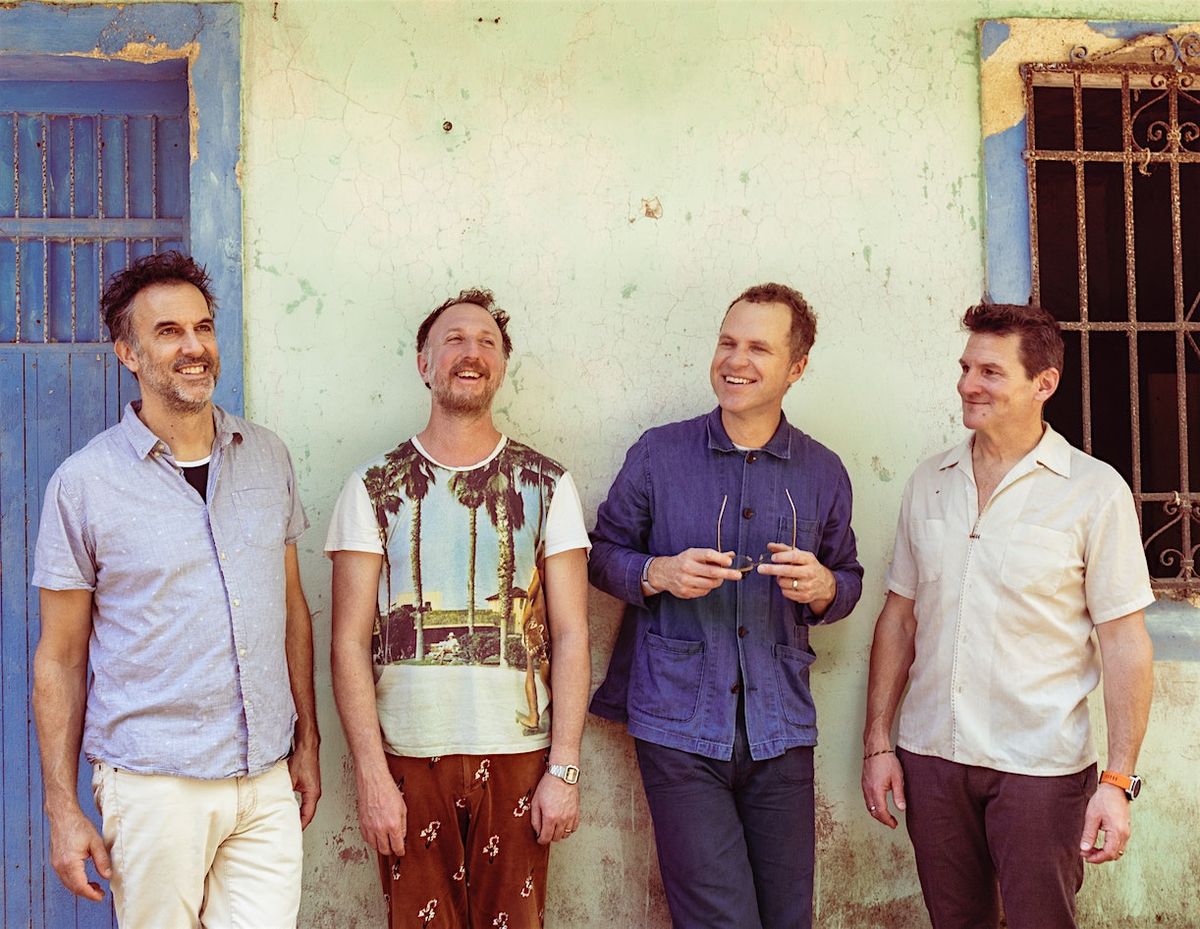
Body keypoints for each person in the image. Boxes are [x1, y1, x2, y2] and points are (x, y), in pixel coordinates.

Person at [32, 251, 321, 928]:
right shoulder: (84, 484)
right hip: (155, 785)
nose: (194, 347)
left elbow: (291, 612)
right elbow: (60, 657)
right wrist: (62, 806)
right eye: (168, 332)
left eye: (203, 327)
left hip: (264, 780)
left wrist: (306, 741)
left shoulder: (267, 456)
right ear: (127, 353)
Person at [861, 303, 1155, 929]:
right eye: (966, 367)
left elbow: (1125, 642)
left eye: (990, 372)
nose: (968, 384)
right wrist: (877, 743)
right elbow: (900, 619)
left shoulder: (1094, 491)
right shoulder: (929, 481)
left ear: (1043, 384)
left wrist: (1118, 780)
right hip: (931, 757)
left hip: (1040, 768)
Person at [589, 282, 863, 929]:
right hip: (677, 722)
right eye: (727, 342)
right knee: (720, 920)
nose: (735, 360)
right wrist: (658, 571)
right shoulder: (658, 452)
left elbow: (846, 577)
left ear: (796, 367)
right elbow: (600, 554)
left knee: (788, 918)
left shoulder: (823, 470)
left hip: (781, 726)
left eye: (758, 348)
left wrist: (823, 587)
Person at [327, 288, 590, 929]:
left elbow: (572, 634)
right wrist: (371, 775)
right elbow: (348, 643)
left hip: (520, 756)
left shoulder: (548, 484)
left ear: (501, 366)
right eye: (454, 340)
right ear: (424, 363)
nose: (471, 353)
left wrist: (564, 768)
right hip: (408, 759)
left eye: (486, 342)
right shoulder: (373, 486)